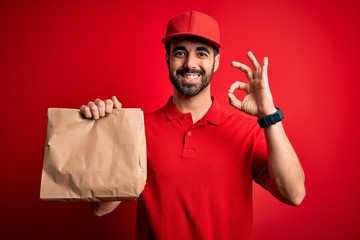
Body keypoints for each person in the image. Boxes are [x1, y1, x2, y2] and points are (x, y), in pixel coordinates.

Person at [80, 10, 305, 240]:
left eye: (201, 53)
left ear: (216, 62)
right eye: (180, 53)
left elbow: (294, 194)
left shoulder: (247, 131)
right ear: (167, 59)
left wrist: (269, 115)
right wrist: (110, 134)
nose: (190, 63)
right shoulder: (138, 129)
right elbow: (100, 208)